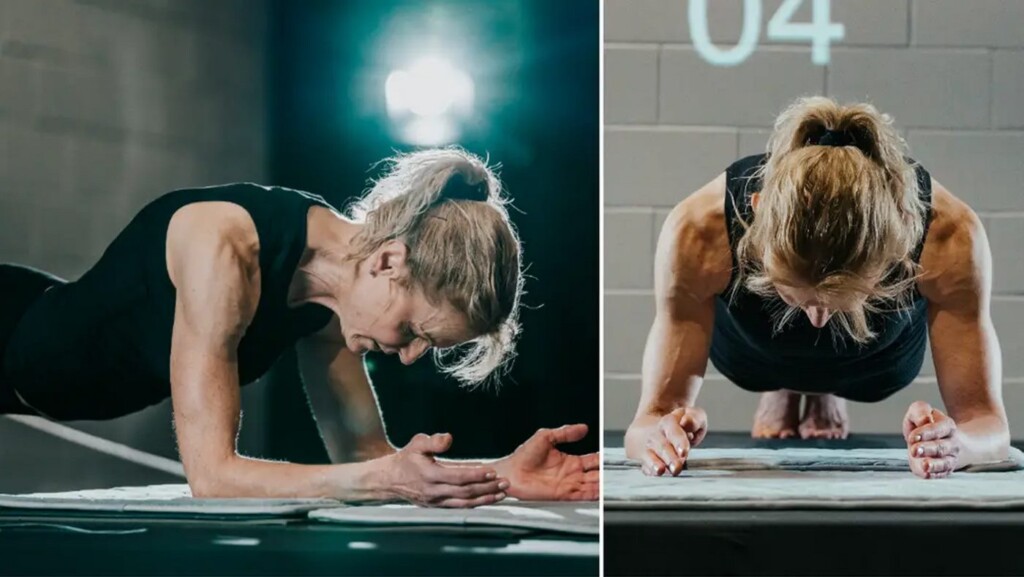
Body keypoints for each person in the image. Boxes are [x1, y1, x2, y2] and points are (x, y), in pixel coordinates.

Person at [0, 148, 598, 505]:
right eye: (416, 331)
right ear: (389, 262)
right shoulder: (225, 249)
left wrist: (501, 476)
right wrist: (385, 480)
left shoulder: (331, 309)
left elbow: (367, 456)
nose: (410, 356)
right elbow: (213, 478)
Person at [625, 97, 1010, 480]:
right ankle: (785, 386)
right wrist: (661, 435)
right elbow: (645, 424)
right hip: (753, 349)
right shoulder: (698, 230)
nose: (818, 321)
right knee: (790, 340)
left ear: (901, 233)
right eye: (798, 296)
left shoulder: (949, 234)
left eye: (838, 302)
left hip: (875, 359)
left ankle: (827, 388)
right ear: (757, 212)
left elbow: (989, 427)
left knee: (842, 341)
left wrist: (955, 444)